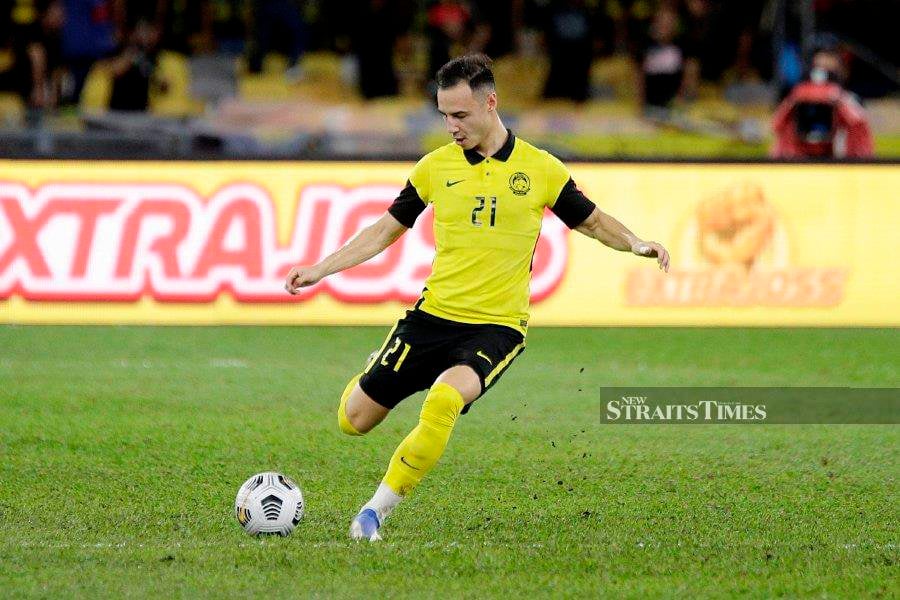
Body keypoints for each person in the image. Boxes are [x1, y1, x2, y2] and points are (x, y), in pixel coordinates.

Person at [284, 54, 670, 542]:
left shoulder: (540, 169)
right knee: (353, 421)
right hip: (431, 318)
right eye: (444, 115)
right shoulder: (434, 169)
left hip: (496, 326)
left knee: (445, 398)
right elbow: (385, 230)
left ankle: (374, 513)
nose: (451, 127)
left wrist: (636, 242)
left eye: (461, 115)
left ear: (491, 103)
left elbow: (592, 221)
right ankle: (373, 367)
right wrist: (320, 269)